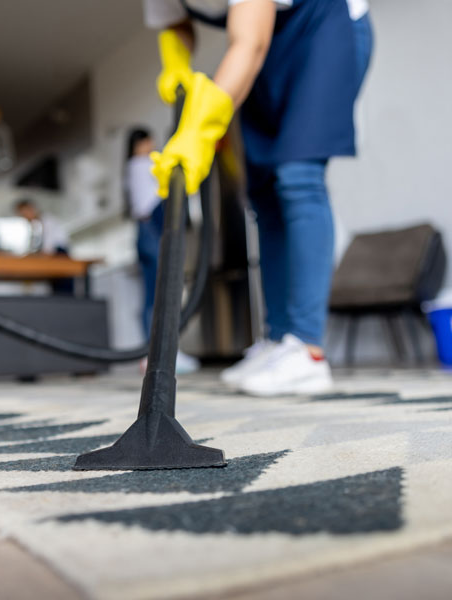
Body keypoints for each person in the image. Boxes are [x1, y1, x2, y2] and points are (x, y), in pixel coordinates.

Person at [143, 0, 373, 395]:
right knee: (263, 195)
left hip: (322, 28)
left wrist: (202, 129)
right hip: (264, 50)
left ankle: (307, 349)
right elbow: (175, 21)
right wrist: (176, 63)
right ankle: (279, 340)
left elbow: (250, 43)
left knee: (298, 177)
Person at [125, 127, 200, 374]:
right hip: (154, 232)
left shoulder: (130, 167)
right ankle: (166, 355)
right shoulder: (145, 164)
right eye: (150, 141)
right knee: (165, 291)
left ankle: (151, 355)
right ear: (142, 142)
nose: (153, 145)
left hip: (142, 232)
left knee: (151, 296)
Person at [14, 198, 73, 294]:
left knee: (63, 289)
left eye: (24, 214)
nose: (25, 218)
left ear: (31, 209)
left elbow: (48, 250)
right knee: (55, 288)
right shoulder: (38, 225)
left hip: (60, 256)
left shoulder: (48, 221)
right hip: (54, 256)